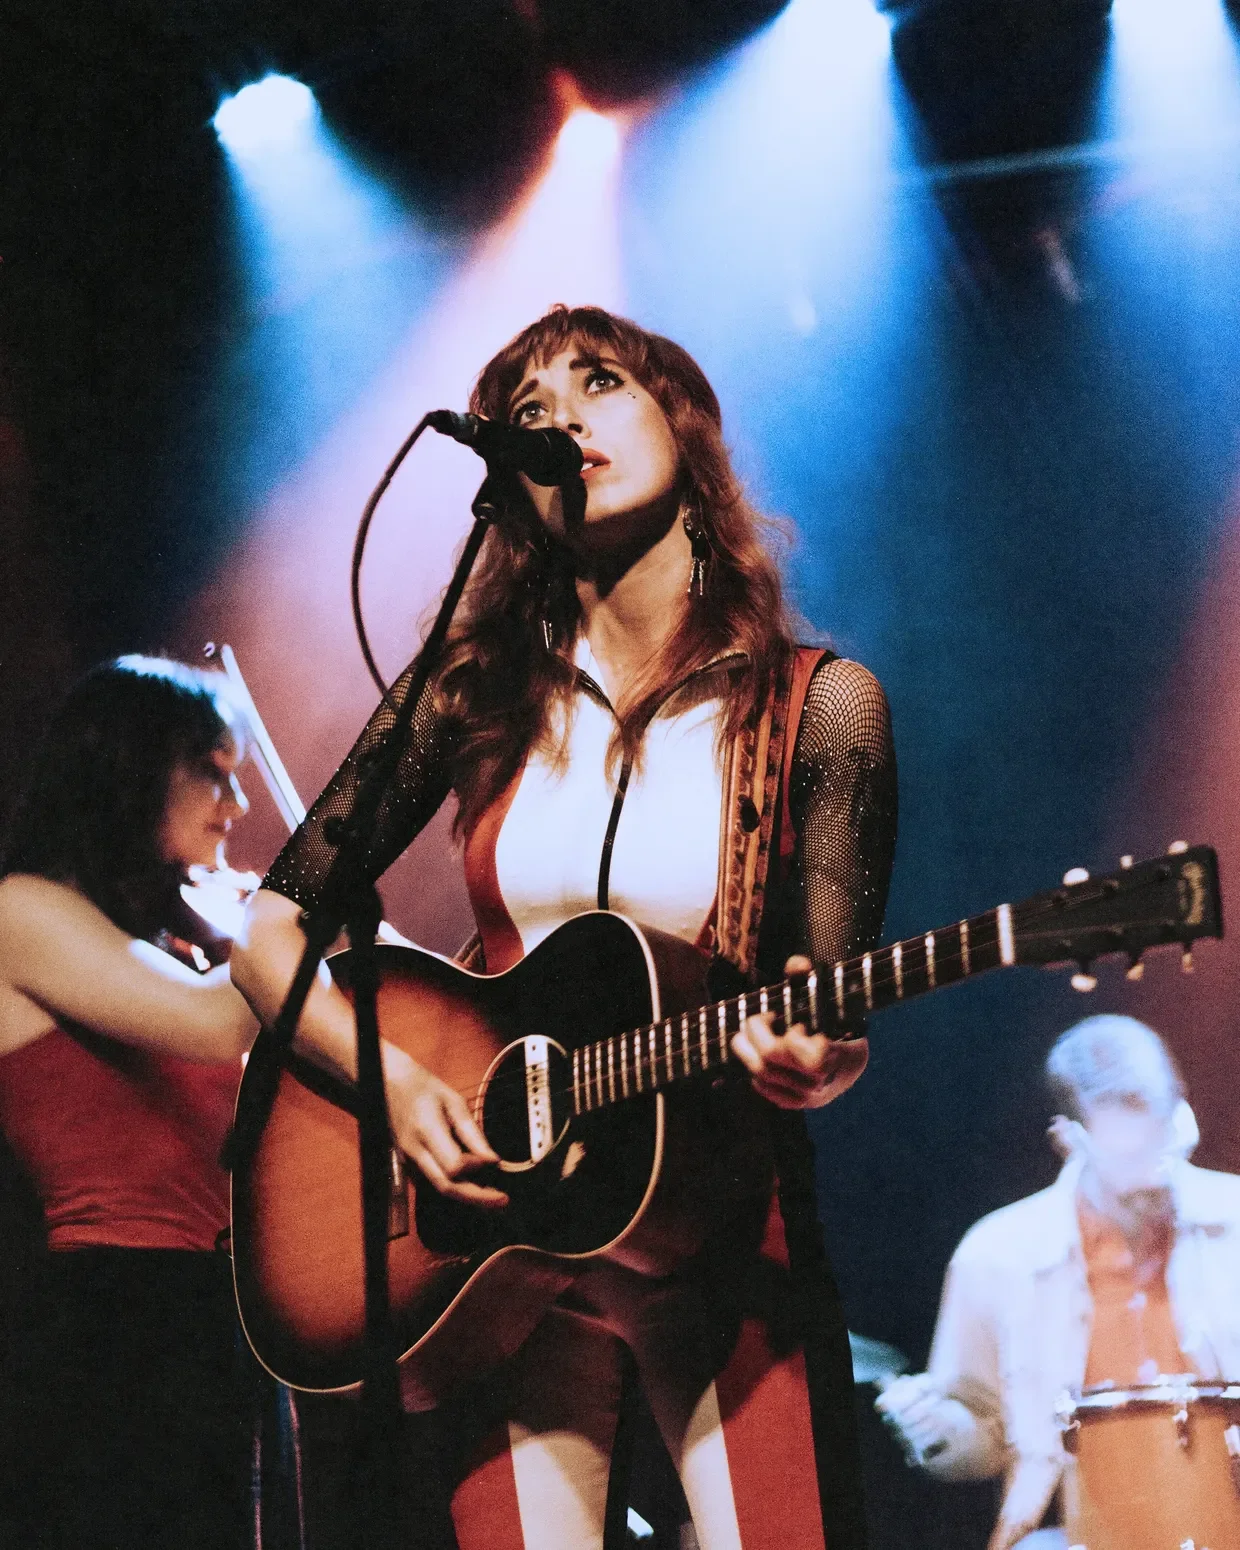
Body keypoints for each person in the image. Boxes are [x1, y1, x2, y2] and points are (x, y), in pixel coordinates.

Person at [233, 303, 898, 1550]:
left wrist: (824, 1056)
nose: (561, 422)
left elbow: (831, 998)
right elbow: (268, 930)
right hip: (496, 1236)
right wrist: (393, 1079)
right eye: (527, 414)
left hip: (711, 1209)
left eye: (597, 384)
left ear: (680, 424)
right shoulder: (472, 688)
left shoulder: (822, 707)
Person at [0, 655, 262, 1550]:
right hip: (110, 1326)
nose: (240, 807)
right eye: (213, 772)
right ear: (130, 768)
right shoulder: (23, 911)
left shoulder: (173, 937)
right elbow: (218, 1023)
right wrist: (298, 911)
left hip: (212, 1318)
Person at [876, 1014, 1240, 1550]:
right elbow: (986, 1441)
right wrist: (937, 1432)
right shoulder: (997, 1255)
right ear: (1068, 1138)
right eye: (1130, 1165)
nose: (1154, 1189)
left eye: (1165, 1148)